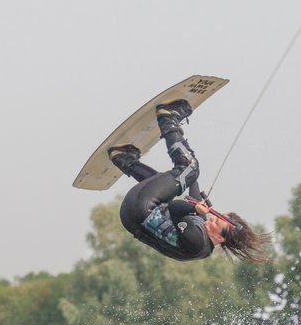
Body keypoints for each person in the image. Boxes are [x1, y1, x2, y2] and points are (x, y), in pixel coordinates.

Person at [108, 99, 271, 263]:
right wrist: (196, 196)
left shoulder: (197, 242)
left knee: (190, 166)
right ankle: (124, 159)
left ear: (220, 238)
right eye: (216, 216)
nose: (212, 218)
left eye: (216, 221)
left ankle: (168, 119)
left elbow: (174, 208)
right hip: (133, 215)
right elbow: (191, 192)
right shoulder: (203, 236)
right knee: (185, 177)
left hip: (140, 208)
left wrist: (194, 205)